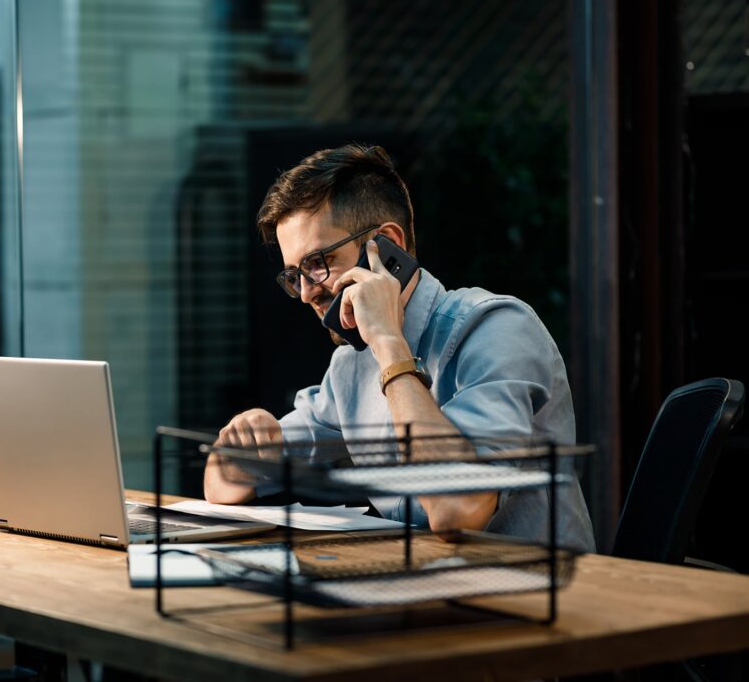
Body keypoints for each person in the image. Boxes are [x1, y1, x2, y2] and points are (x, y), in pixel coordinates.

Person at [203, 144, 595, 551]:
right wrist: (243, 442)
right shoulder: (350, 367)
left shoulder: (498, 328)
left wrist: (390, 344)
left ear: (387, 247)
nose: (305, 293)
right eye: (294, 275)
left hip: (540, 598)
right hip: (416, 592)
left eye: (318, 262)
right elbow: (224, 487)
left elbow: (457, 511)